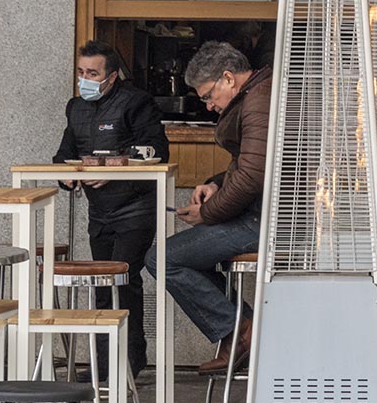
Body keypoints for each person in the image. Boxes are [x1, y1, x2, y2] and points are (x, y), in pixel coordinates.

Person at [145, 41, 272, 373]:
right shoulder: (258, 94)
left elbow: (251, 177)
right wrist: (216, 184)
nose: (209, 106)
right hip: (262, 214)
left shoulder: (258, 102)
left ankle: (242, 329)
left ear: (228, 78)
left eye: (208, 96)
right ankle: (243, 328)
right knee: (176, 257)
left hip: (265, 220)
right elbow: (250, 165)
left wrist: (207, 214)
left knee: (162, 258)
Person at [54, 40, 169, 379]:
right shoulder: (75, 107)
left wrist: (114, 167)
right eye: (81, 72)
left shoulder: (136, 102)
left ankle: (130, 362)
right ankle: (104, 366)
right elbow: (63, 154)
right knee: (103, 286)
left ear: (113, 76)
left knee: (124, 280)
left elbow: (156, 148)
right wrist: (67, 177)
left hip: (135, 208)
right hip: (99, 212)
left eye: (93, 73)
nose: (85, 79)